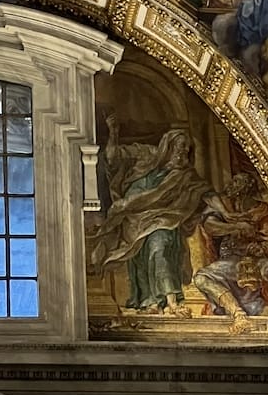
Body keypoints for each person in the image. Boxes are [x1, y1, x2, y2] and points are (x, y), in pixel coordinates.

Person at [88, 126, 211, 316]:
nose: (181, 153)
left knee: (159, 249)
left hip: (165, 219)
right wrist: (113, 132)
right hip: (134, 219)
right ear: (167, 147)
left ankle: (172, 301)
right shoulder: (147, 156)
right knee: (139, 259)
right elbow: (113, 157)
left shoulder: (183, 176)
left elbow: (205, 193)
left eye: (186, 150)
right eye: (179, 147)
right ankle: (150, 302)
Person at [194, 172, 268, 333]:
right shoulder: (222, 206)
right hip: (230, 261)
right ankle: (238, 314)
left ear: (246, 188)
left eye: (237, 182)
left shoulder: (261, 210)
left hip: (254, 261)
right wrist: (236, 227)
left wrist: (263, 247)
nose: (231, 185)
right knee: (201, 278)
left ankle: (262, 312)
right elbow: (210, 226)